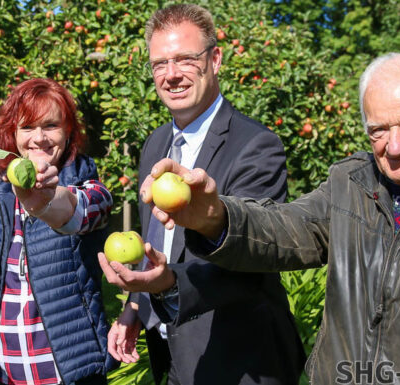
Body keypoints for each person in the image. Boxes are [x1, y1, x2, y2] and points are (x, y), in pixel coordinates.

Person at [139, 53, 400, 384]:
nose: (394, 146)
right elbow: (286, 231)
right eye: (378, 130)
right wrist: (215, 217)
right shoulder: (351, 184)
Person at [98, 4, 305, 385]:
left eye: (185, 59)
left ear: (215, 59)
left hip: (239, 362)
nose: (171, 74)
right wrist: (135, 306)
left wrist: (168, 284)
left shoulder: (257, 147)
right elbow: (156, 240)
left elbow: (252, 260)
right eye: (160, 64)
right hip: (174, 359)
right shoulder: (156, 143)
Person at [0, 78, 115, 385]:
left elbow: (77, 211)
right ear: (13, 134)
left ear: (68, 131)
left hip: (69, 379)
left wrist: (46, 202)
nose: (39, 138)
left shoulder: (91, 191)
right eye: (27, 127)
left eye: (51, 125)